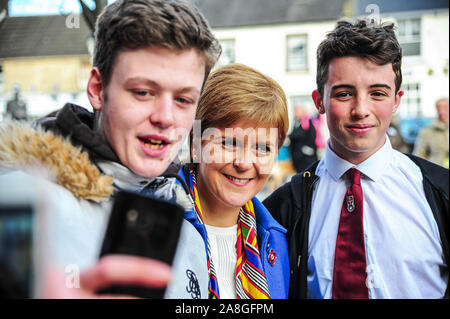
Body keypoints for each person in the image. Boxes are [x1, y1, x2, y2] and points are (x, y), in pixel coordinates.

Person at [0, 0, 220, 298]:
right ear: (97, 89)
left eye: (183, 100)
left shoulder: (189, 231)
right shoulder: (19, 207)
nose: (166, 117)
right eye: (143, 92)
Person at [264, 19, 449, 299]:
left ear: (397, 100)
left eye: (377, 93)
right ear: (319, 101)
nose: (361, 109)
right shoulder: (284, 206)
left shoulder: (440, 192)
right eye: (344, 93)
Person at [179, 63, 290, 299]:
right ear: (195, 144)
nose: (244, 162)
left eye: (263, 147)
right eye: (229, 143)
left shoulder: (275, 241)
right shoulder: (154, 221)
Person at [413, 97, 449, 168]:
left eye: (445, 107)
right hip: (437, 173)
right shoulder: (427, 131)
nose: (441, 112)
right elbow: (419, 155)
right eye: (439, 108)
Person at [288, 104, 318, 173]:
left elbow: (301, 134)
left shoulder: (306, 121)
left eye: (296, 111)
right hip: (298, 157)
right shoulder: (297, 122)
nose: (294, 113)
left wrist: (290, 136)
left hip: (306, 157)